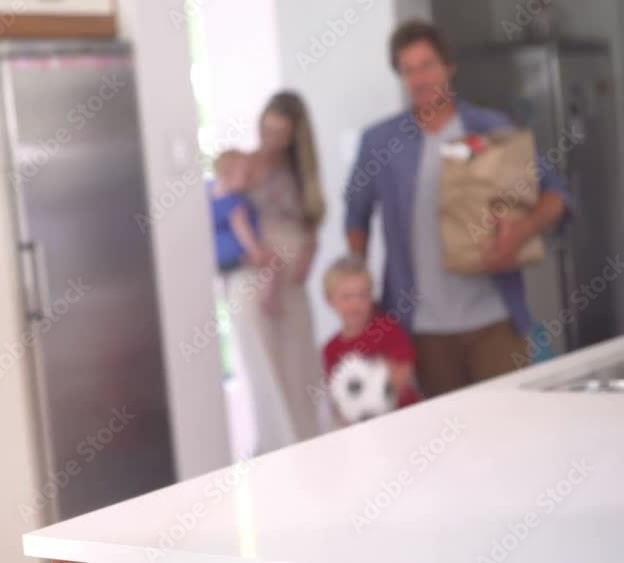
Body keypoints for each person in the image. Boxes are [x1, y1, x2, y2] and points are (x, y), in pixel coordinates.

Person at [345, 20, 572, 398]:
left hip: (495, 320)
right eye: (408, 69)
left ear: (449, 67)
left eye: (428, 65)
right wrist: (358, 289)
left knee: (509, 427)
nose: (420, 78)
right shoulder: (380, 143)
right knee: (447, 442)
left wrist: (523, 229)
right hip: (422, 329)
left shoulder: (492, 129)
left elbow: (557, 194)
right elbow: (356, 216)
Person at [224, 91, 328, 454]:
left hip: (292, 285)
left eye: (281, 132)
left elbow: (311, 224)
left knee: (301, 369)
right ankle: (277, 454)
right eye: (267, 129)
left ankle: (309, 454)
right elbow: (225, 214)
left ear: (295, 135)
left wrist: (307, 254)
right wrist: (256, 254)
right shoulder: (243, 166)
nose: (271, 140)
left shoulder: (303, 175)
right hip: (255, 280)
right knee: (268, 373)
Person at [322, 256, 421, 422]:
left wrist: (376, 381)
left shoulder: (387, 327)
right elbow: (340, 397)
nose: (356, 304)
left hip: (406, 417)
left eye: (363, 295)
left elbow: (404, 372)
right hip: (365, 428)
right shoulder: (330, 349)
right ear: (330, 301)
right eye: (347, 297)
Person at [210, 150, 281, 313]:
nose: (250, 179)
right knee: (273, 261)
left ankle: (226, 294)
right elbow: (243, 231)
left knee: (229, 285)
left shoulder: (212, 198)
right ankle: (267, 299)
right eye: (246, 174)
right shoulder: (235, 203)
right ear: (227, 174)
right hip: (238, 255)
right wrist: (257, 253)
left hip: (219, 259)